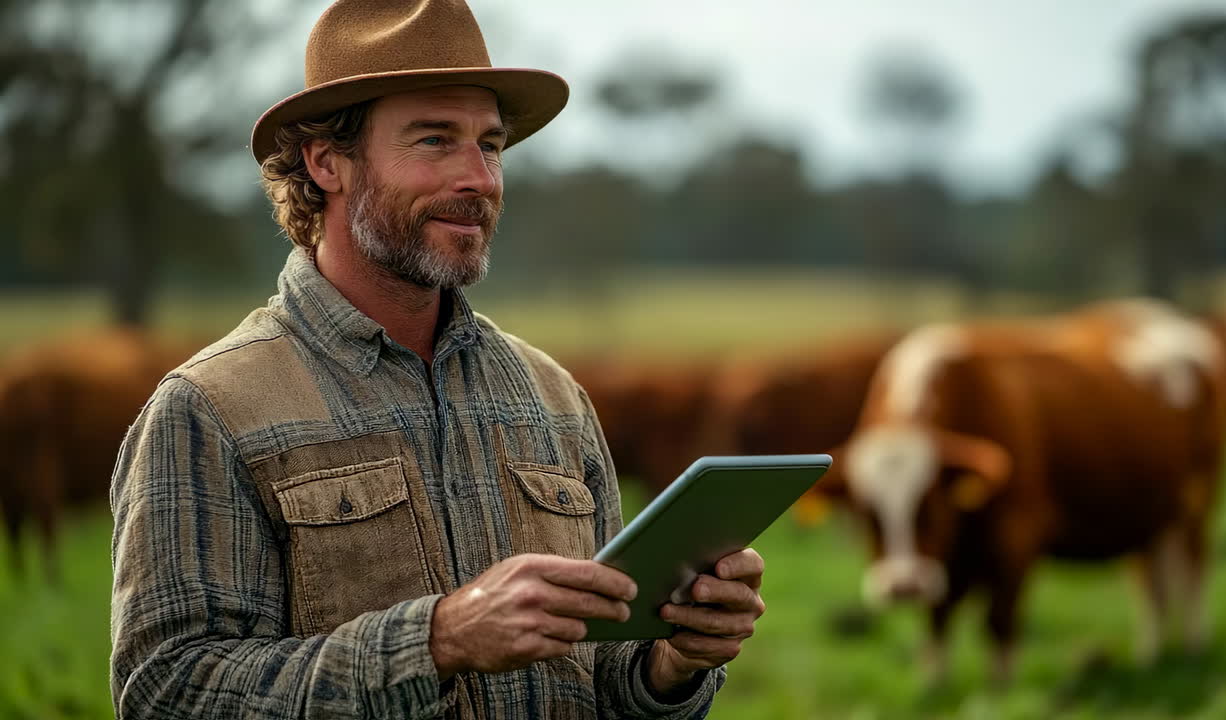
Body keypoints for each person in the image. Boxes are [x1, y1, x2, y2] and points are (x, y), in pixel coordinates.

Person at [108, 1, 767, 718]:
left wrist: (669, 665)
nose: (479, 178)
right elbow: (166, 692)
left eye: (490, 145)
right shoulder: (208, 409)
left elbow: (603, 683)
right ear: (326, 161)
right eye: (434, 140)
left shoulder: (555, 400)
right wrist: (437, 640)